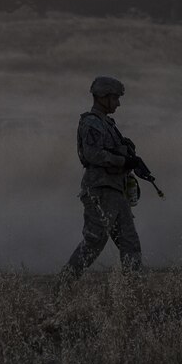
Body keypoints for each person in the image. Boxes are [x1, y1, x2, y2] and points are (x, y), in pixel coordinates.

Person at [62, 76, 143, 277]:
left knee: (130, 243)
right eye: (115, 98)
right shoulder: (92, 122)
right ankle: (62, 288)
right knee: (94, 242)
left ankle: (135, 295)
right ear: (102, 97)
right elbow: (93, 154)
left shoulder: (108, 124)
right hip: (100, 191)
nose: (118, 103)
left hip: (114, 190)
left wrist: (127, 154)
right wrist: (122, 161)